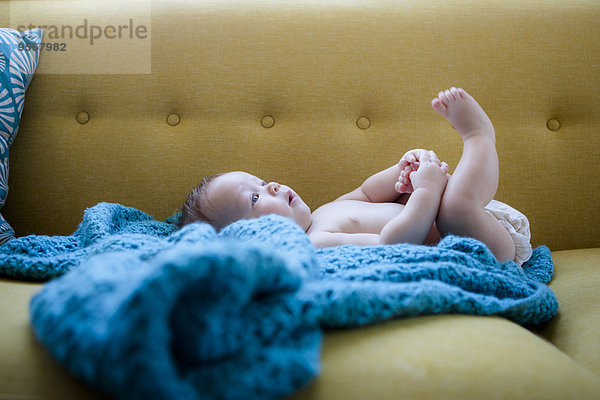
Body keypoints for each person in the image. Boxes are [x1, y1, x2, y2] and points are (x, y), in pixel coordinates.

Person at [179, 88, 532, 265]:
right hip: (484, 249)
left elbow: (367, 194)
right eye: (254, 198)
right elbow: (394, 245)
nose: (270, 185)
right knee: (454, 205)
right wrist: (425, 193)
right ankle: (479, 138)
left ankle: (470, 155)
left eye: (260, 181)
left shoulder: (322, 214)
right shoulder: (315, 244)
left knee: (453, 201)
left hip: (477, 225)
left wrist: (402, 173)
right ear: (252, 238)